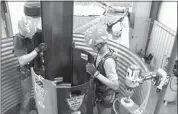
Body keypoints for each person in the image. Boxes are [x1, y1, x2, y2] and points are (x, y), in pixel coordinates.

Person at [13, 15, 47, 114]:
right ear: (22, 33)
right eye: (29, 36)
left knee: (40, 93)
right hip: (25, 70)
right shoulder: (18, 39)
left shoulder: (39, 32)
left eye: (33, 34)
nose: (31, 37)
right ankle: (23, 112)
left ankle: (39, 110)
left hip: (38, 68)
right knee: (27, 95)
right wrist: (37, 50)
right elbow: (22, 61)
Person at [85, 26, 119, 114]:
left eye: (93, 46)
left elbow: (115, 86)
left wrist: (96, 73)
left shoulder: (108, 61)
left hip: (106, 99)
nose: (92, 48)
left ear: (99, 45)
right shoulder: (100, 54)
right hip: (99, 95)